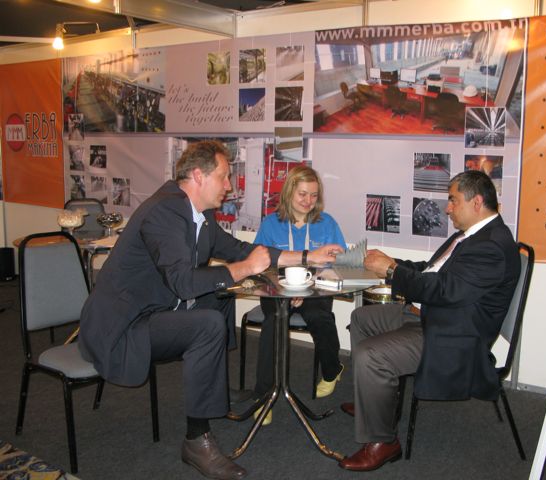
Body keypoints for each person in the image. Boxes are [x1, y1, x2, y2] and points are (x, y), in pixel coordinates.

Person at [78, 140, 343, 480]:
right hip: (122, 326)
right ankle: (196, 441)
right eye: (224, 176)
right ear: (198, 176)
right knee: (207, 323)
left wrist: (308, 257)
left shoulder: (199, 214)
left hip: (156, 310)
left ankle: (215, 388)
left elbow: (242, 249)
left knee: (219, 296)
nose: (229, 185)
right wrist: (243, 269)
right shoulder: (164, 212)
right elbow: (183, 283)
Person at [338, 170, 521, 472]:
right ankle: (374, 403)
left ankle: (383, 441)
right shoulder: (471, 235)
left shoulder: (492, 246)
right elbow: (430, 270)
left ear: (476, 202)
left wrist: (392, 271)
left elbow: (444, 290)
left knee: (372, 355)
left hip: (454, 334)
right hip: (432, 315)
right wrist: (390, 262)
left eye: (453, 200)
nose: (447, 208)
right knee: (361, 318)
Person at [251, 165, 347, 425]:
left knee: (319, 316)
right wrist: (285, 288)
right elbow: (259, 264)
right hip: (277, 289)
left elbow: (339, 262)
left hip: (314, 289)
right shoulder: (271, 224)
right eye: (302, 194)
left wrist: (307, 288)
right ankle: (264, 396)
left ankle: (332, 369)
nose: (308, 201)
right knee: (274, 322)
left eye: (314, 195)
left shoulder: (327, 223)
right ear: (289, 192)